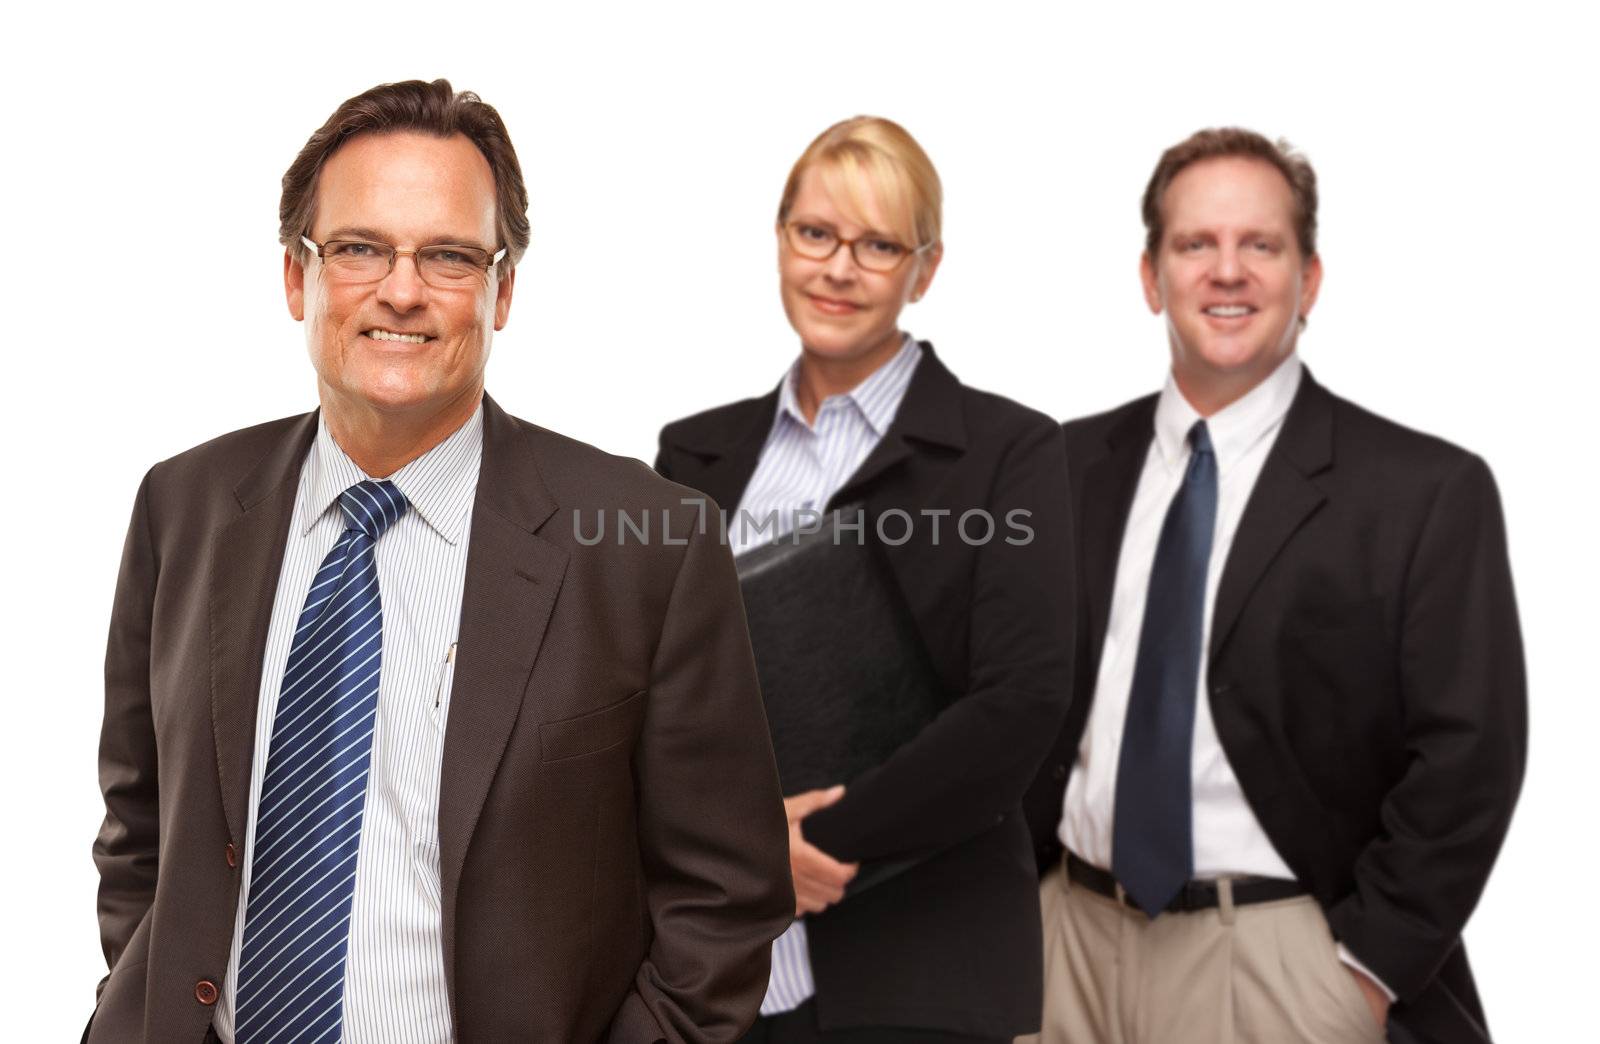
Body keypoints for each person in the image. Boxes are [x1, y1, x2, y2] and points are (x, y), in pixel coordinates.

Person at [87, 78, 792, 1044]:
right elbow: (139, 830)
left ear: (503, 291)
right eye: (359, 248)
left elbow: (726, 900)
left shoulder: (649, 545)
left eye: (450, 256)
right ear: (299, 276)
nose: (402, 290)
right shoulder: (186, 504)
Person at [1020, 128, 1526, 1044]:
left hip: (1274, 962)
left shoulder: (1422, 491)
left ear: (1310, 281)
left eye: (1260, 245)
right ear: (1150, 279)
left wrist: (1366, 974)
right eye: (1195, 245)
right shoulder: (1060, 465)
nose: (1228, 272)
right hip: (1065, 951)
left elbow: (1471, 753)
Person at [656, 116, 1075, 1042]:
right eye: (815, 234)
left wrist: (820, 845)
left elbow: (1021, 703)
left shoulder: (1008, 453)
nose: (838, 268)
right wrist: (745, 854)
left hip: (918, 972)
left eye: (877, 245)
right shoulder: (693, 455)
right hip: (717, 979)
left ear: (924, 270)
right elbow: (654, 698)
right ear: (779, 240)